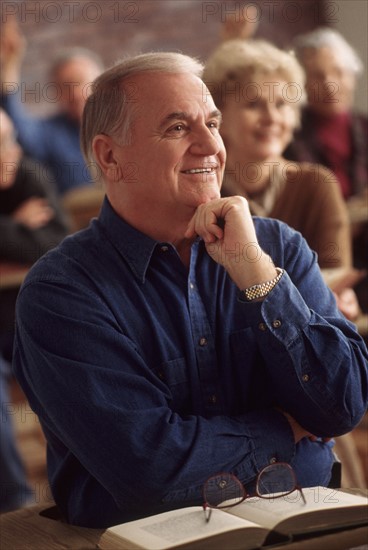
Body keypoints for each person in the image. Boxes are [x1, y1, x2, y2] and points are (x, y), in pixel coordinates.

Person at [12, 52, 368, 528]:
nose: (211, 146)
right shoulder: (61, 292)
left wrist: (257, 277)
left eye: (213, 123)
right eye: (178, 128)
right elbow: (150, 472)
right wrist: (288, 431)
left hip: (301, 528)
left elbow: (342, 406)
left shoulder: (277, 247)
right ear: (109, 155)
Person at [203, 38, 359, 320]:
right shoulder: (203, 190)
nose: (272, 117)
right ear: (219, 117)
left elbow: (334, 286)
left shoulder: (317, 184)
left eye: (283, 104)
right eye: (254, 104)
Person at [0, 108, 69, 513]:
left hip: (36, 324)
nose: (11, 152)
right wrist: (15, 226)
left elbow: (54, 245)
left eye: (9, 139)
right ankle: (14, 506)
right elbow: (29, 244)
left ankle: (89, 489)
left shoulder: (29, 172)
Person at [0, 16, 103, 195]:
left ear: (101, 83)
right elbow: (18, 129)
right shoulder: (51, 133)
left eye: (80, 82)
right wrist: (10, 65)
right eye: (65, 87)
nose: (75, 93)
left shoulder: (123, 125)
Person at [285, 27, 367, 201]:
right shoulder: (288, 133)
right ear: (301, 83)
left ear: (353, 77)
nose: (330, 85)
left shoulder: (364, 127)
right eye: (317, 76)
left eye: (339, 72)